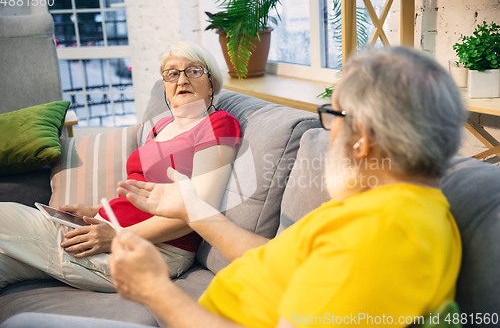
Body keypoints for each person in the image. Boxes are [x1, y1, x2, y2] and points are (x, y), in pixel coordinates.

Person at [0, 46, 466, 328]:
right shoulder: (383, 208)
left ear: (363, 138)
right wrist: (192, 209)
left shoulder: (381, 237)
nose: (329, 133)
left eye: (333, 115)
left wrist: (157, 291)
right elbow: (270, 258)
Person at [0, 41, 241, 292]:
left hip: (153, 249)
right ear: (165, 87)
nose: (181, 80)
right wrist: (94, 210)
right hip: (107, 230)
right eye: (171, 74)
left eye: (193, 71)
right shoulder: (161, 128)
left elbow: (199, 209)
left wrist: (116, 237)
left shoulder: (217, 124)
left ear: (211, 83)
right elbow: (142, 194)